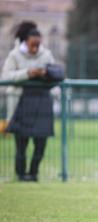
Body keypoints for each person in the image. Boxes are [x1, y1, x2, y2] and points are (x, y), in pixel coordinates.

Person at [2, 21, 55, 182]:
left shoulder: (46, 55)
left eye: (38, 43)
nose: (36, 46)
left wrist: (46, 73)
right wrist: (28, 73)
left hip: (41, 102)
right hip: (21, 102)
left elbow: (56, 74)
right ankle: (21, 174)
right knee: (21, 144)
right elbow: (6, 76)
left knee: (41, 143)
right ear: (26, 40)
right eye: (33, 43)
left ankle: (33, 173)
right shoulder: (14, 55)